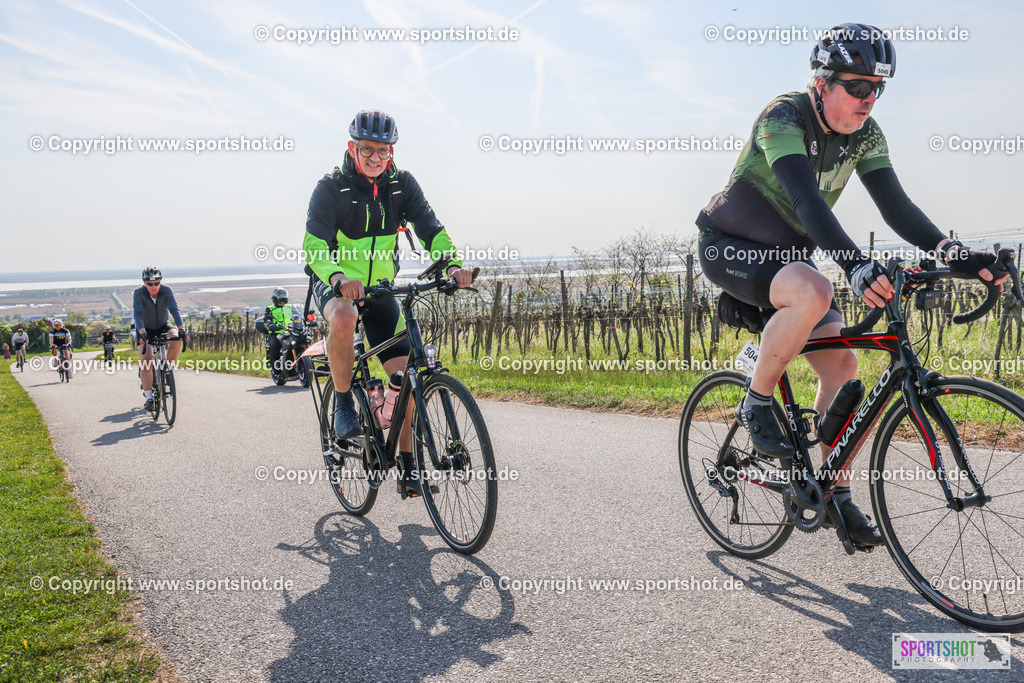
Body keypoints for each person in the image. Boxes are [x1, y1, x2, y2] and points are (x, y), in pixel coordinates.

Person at [695, 23, 1008, 547]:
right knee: (815, 288)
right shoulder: (784, 117)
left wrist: (953, 253)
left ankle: (835, 494)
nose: (869, 98)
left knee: (842, 364)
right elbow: (806, 202)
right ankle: (756, 401)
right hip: (730, 247)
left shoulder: (867, 135)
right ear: (822, 83)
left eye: (878, 88)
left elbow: (898, 206)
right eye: (857, 86)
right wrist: (856, 265)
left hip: (790, 259)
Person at [304, 109, 474, 496]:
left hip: (381, 289)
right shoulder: (331, 188)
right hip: (335, 283)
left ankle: (409, 466)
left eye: (383, 151)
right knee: (343, 318)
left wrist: (452, 263)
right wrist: (337, 277)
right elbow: (314, 244)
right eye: (367, 150)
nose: (376, 158)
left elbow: (432, 228)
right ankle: (344, 403)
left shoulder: (402, 185)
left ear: (391, 152)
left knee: (406, 375)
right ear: (353, 147)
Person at [133, 267, 184, 410]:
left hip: (163, 325)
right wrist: (142, 332)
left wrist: (181, 328)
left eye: (156, 283)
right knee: (147, 360)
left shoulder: (166, 291)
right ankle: (149, 398)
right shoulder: (139, 293)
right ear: (144, 283)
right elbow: (137, 314)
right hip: (145, 329)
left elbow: (174, 309)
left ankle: (166, 368)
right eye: (150, 284)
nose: (154, 286)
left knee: (176, 339)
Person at [263, 288, 292, 374]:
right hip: (275, 333)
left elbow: (298, 315)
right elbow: (266, 319)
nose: (281, 302)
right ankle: (275, 368)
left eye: (283, 300)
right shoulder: (270, 309)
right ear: (275, 299)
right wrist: (270, 325)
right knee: (275, 345)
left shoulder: (290, 308)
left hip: (290, 332)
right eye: (280, 300)